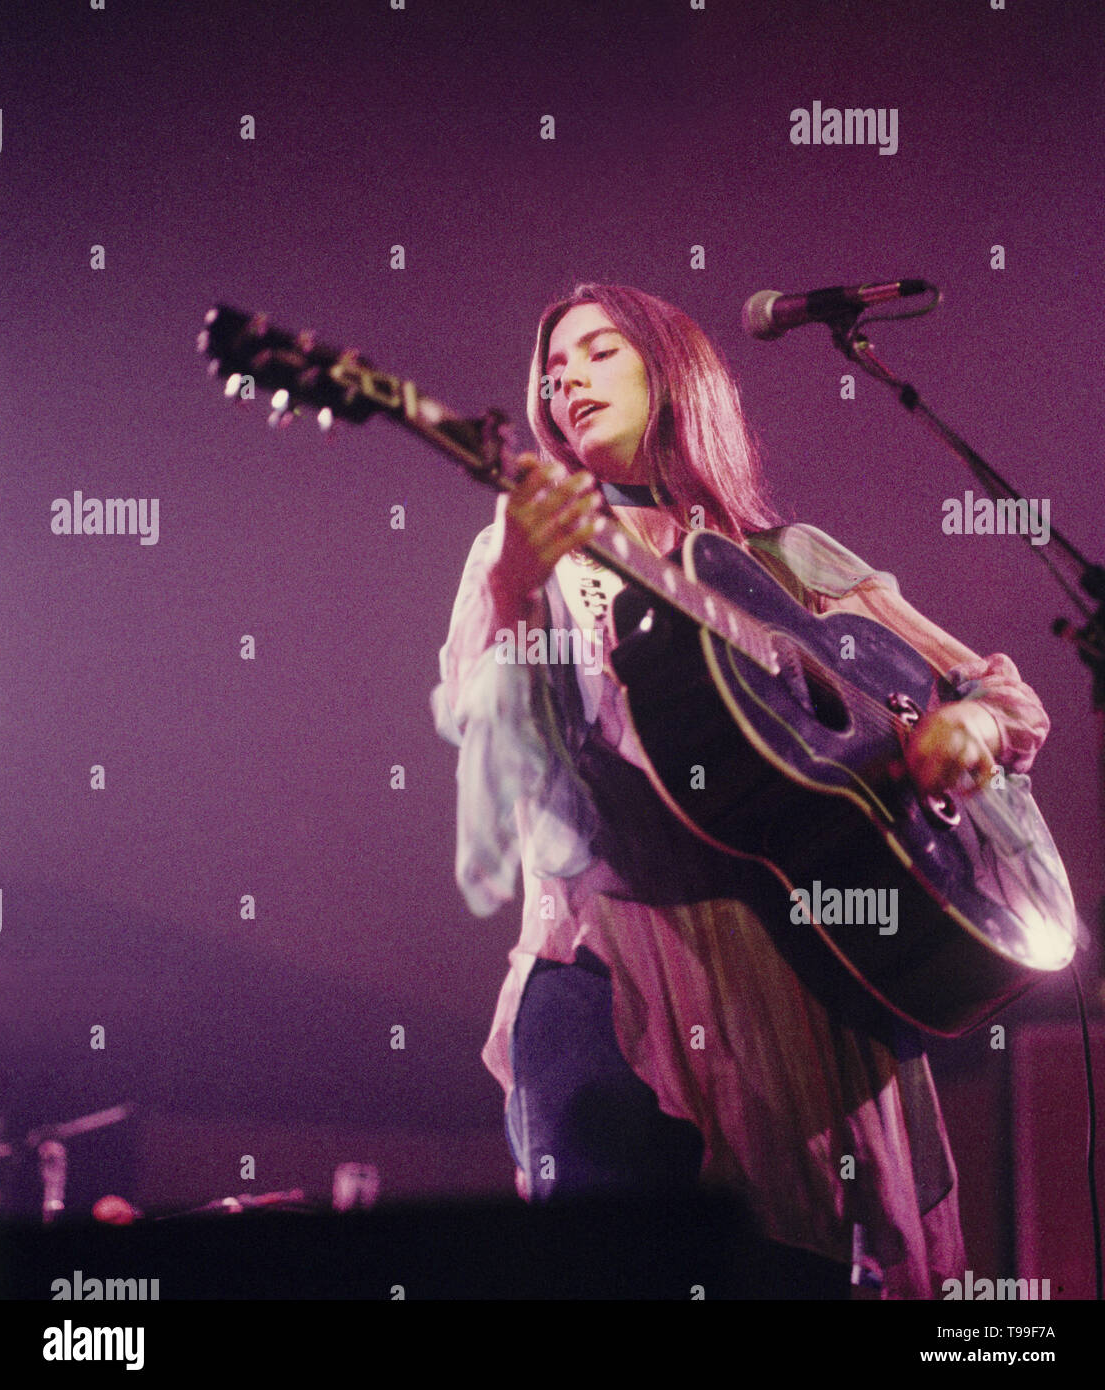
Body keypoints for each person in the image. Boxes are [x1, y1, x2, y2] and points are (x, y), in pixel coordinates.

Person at [430, 283, 1052, 1299]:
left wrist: (965, 727)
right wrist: (509, 597)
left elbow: (993, 691)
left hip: (805, 993)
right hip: (610, 975)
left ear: (669, 373)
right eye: (552, 368)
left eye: (596, 351)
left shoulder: (793, 563)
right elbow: (506, 783)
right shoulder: (535, 550)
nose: (564, 377)